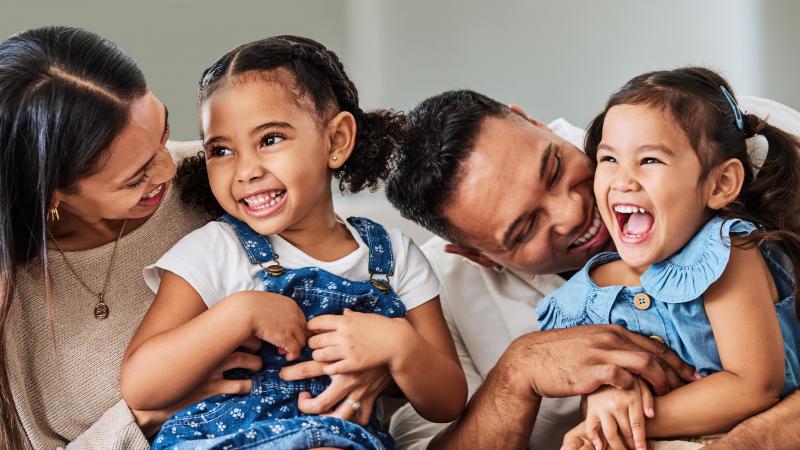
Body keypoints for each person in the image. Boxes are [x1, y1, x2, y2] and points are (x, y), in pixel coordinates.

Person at [384, 89, 800, 450]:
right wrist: (516, 375)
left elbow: (756, 382)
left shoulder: (717, 135)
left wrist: (754, 439)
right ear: (479, 256)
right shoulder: (433, 290)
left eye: (554, 169)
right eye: (526, 229)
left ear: (536, 122)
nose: (574, 212)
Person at [120, 35, 466, 450]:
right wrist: (240, 313)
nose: (245, 170)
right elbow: (140, 385)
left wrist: (399, 346)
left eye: (269, 139)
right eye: (222, 150)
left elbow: (447, 402)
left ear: (336, 141)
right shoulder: (216, 249)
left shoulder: (393, 258)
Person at [0, 26, 270, 449]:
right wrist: (144, 415)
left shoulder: (219, 181)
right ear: (53, 194)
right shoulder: (11, 301)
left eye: (165, 131)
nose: (169, 169)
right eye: (136, 177)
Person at [537, 67, 800, 450]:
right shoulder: (588, 294)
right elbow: (601, 385)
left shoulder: (727, 255)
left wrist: (619, 425)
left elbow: (755, 386)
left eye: (650, 161)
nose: (623, 180)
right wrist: (605, 399)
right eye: (609, 159)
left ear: (721, 184)